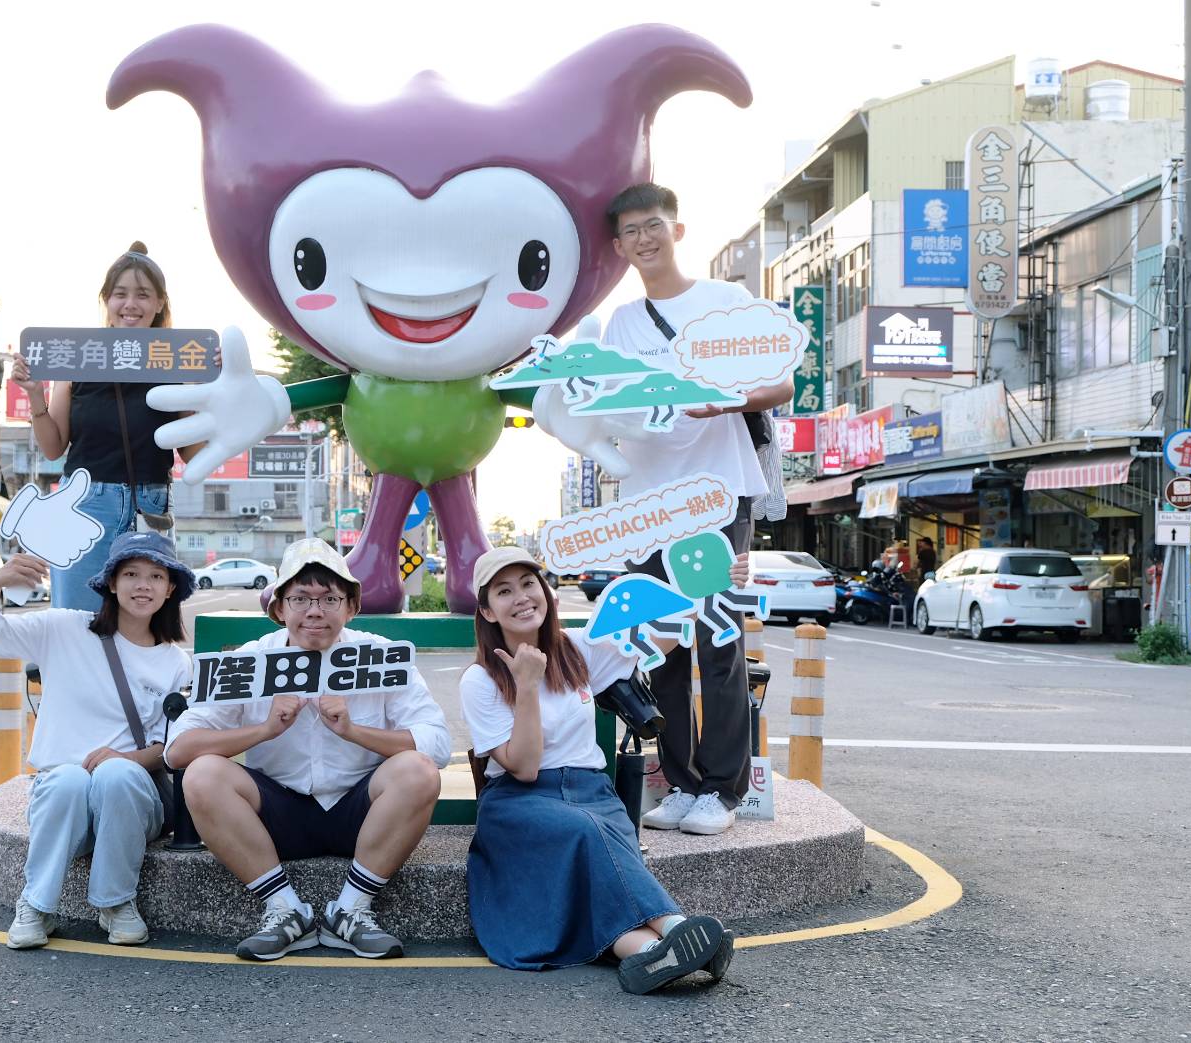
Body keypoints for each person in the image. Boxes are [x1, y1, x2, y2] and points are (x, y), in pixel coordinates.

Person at [589, 182, 793, 837]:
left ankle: (722, 790)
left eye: (653, 225)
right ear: (618, 247)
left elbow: (783, 382)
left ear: (676, 230)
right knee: (663, 647)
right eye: (629, 232)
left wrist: (726, 397)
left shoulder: (725, 301)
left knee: (716, 640)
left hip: (716, 491)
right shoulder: (621, 321)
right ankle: (677, 782)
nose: (642, 239)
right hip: (650, 500)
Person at [462, 546, 743, 993]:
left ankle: (648, 956)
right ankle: (676, 926)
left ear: (546, 591)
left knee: (595, 832)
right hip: (521, 803)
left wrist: (716, 582)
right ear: (486, 609)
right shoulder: (480, 680)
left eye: (529, 584)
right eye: (504, 591)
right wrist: (528, 687)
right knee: (589, 832)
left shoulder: (577, 648)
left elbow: (665, 633)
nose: (521, 598)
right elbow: (526, 768)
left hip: (592, 793)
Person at [164, 538, 450, 962]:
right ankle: (283, 910)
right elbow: (177, 751)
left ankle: (350, 910)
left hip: (362, 810)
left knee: (418, 770)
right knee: (203, 773)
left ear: (350, 606)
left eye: (329, 598)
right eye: (300, 598)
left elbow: (438, 744)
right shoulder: (251, 659)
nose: (314, 611)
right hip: (278, 814)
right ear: (279, 608)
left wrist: (355, 731)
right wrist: (261, 731)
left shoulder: (380, 656)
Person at [0, 531, 196, 950]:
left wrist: (123, 757)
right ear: (111, 582)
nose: (143, 585)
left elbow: (173, 746)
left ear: (170, 588)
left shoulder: (177, 662)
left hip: (131, 803)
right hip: (60, 803)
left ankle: (116, 902)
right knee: (69, 780)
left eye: (155, 576)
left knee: (117, 776)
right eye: (131, 574)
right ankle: (35, 904)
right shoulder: (63, 628)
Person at [9, 242, 206, 612]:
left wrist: (201, 387)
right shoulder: (78, 356)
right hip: (83, 503)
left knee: (147, 623)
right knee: (76, 619)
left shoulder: (178, 360)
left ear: (160, 303)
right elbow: (54, 448)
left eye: (143, 295)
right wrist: (36, 396)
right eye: (120, 294)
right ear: (106, 299)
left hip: (149, 505)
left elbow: (192, 454)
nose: (130, 304)